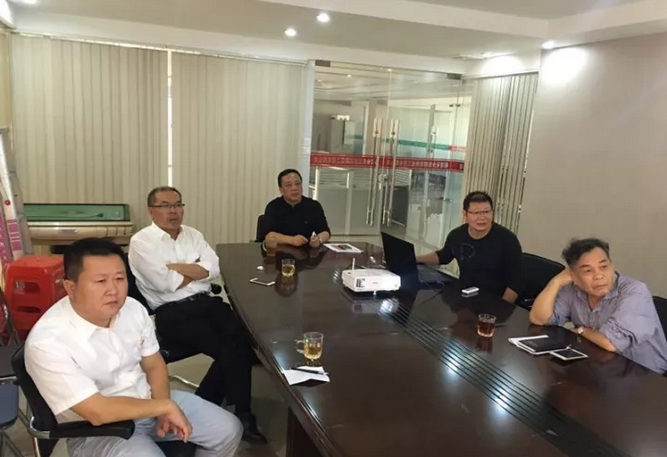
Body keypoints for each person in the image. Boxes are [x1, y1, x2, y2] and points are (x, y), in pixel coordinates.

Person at [24, 238, 243, 457]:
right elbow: (97, 411)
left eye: (120, 278)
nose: (113, 290)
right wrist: (164, 407)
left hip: (148, 400)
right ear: (71, 288)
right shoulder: (48, 342)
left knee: (228, 430)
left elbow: (154, 364)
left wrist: (162, 405)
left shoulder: (132, 309)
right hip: (97, 430)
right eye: (101, 281)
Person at [129, 186, 266, 444]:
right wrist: (195, 270)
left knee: (243, 339)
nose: (173, 211)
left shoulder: (193, 234)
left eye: (177, 205)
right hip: (172, 312)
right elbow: (163, 283)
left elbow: (213, 268)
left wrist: (176, 269)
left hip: (208, 303)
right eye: (165, 205)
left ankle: (205, 403)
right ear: (151, 211)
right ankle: (243, 414)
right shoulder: (141, 242)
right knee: (232, 349)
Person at [530, 238, 667, 374]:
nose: (598, 275)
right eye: (588, 270)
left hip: (645, 374)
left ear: (612, 266)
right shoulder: (573, 288)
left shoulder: (634, 291)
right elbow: (539, 319)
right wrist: (556, 282)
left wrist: (581, 330)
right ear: (573, 276)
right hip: (600, 367)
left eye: (604, 267)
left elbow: (611, 343)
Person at [417, 191, 523, 303]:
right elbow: (443, 256)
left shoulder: (507, 239)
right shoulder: (457, 235)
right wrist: (416, 259)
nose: (482, 217)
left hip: (494, 301)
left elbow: (516, 283)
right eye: (476, 213)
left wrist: (502, 306)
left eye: (486, 212)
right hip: (465, 297)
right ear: (465, 215)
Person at [259, 169, 331, 248]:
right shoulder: (273, 206)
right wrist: (291, 240)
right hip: (279, 251)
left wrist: (319, 239)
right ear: (281, 190)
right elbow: (269, 235)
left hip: (305, 251)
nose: (294, 188)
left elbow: (325, 232)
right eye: (288, 185)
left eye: (297, 184)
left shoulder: (313, 206)